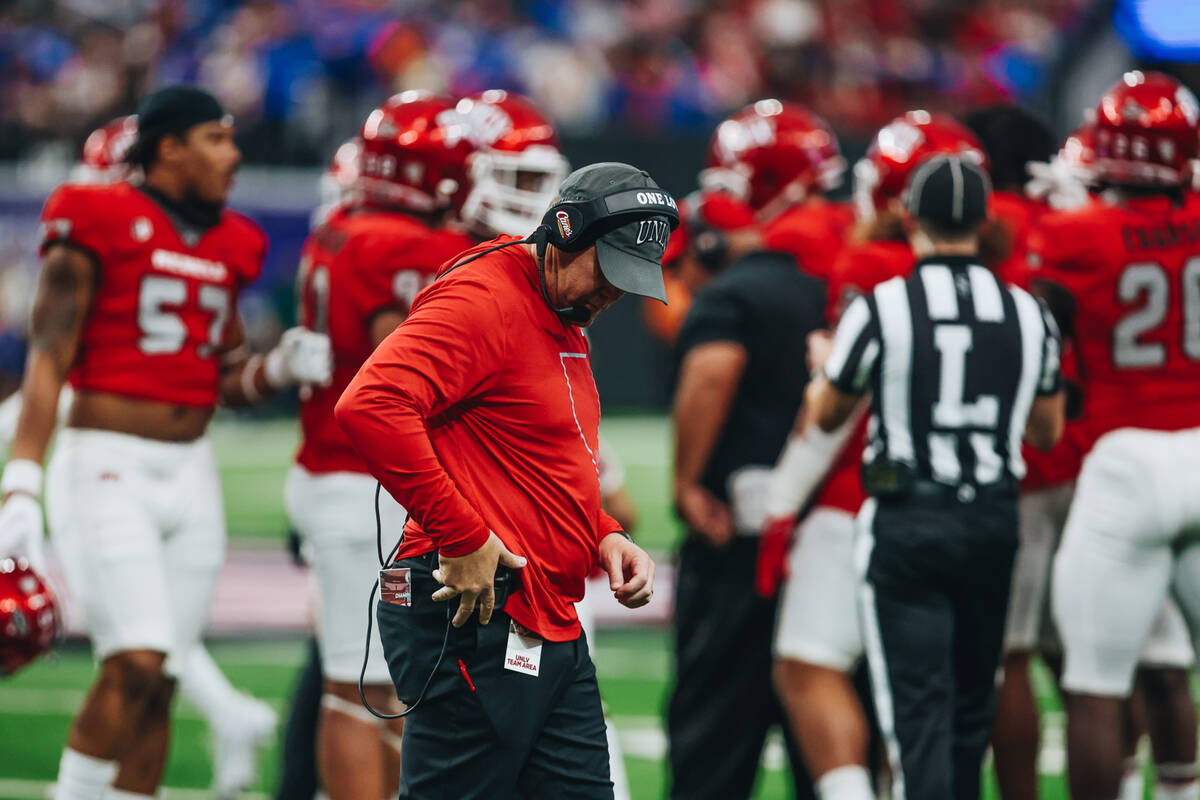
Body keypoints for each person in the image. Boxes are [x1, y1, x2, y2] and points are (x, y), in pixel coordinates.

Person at [0, 85, 332, 800]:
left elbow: (228, 377)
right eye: (217, 139)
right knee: (136, 663)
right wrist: (21, 480)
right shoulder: (94, 215)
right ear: (168, 147)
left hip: (191, 470)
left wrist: (277, 367)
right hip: (104, 463)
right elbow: (50, 353)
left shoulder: (235, 240)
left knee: (167, 678)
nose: (234, 155)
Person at [335, 162, 667, 799]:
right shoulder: (485, 298)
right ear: (565, 233)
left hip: (549, 615)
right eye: (609, 271)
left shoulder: (559, 306)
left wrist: (603, 533)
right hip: (476, 608)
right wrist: (460, 536)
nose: (613, 295)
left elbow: (539, 455)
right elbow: (371, 405)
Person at [807, 154, 1064, 800]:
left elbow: (829, 413)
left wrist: (824, 368)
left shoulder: (882, 306)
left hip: (909, 522)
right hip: (993, 520)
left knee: (917, 720)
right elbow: (1047, 431)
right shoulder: (1026, 312)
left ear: (909, 216)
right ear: (983, 221)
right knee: (972, 710)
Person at [756, 111, 988, 800]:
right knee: (925, 688)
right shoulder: (1005, 281)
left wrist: (780, 506)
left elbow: (835, 410)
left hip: (863, 498)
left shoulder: (872, 267)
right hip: (973, 507)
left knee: (807, 666)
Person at [285, 90, 476, 800]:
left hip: (332, 471)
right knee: (357, 683)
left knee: (383, 683)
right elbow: (405, 372)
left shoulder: (339, 226)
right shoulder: (402, 245)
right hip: (361, 480)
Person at [1038, 70, 1200, 800]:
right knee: (1171, 669)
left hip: (1121, 462)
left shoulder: (1072, 234)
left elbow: (1037, 332)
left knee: (1095, 683)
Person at [666, 190, 821, 800]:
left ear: (708, 246)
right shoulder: (823, 281)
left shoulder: (728, 298)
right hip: (824, 539)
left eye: (680, 265)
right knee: (823, 730)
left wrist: (685, 482)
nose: (679, 280)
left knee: (714, 735)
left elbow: (712, 371)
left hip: (740, 546)